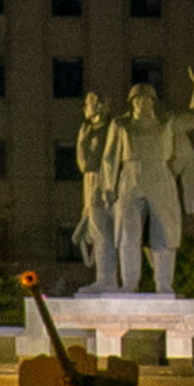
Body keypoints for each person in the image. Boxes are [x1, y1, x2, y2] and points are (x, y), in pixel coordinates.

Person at [109, 56, 194, 295]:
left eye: (147, 99)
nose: (143, 103)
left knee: (164, 232)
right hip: (130, 177)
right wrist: (108, 187)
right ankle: (128, 283)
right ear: (131, 102)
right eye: (138, 99)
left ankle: (164, 284)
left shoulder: (167, 122)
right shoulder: (121, 124)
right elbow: (109, 158)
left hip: (160, 176)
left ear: (154, 102)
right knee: (127, 234)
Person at [71, 88, 125, 288]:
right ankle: (104, 278)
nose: (85, 106)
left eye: (89, 102)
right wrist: (81, 141)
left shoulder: (112, 128)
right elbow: (84, 166)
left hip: (108, 182)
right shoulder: (88, 131)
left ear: (100, 105)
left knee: (105, 232)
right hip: (90, 181)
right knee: (97, 230)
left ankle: (109, 279)